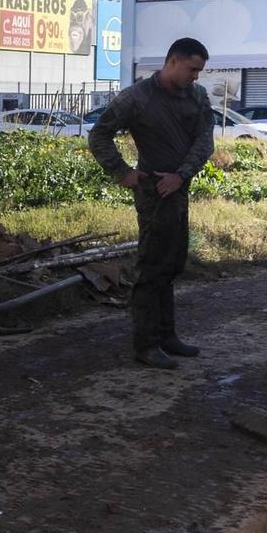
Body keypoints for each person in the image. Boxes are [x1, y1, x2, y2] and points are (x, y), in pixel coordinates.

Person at [89, 37, 216, 369]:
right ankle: (146, 345)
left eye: (199, 71)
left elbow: (205, 140)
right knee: (151, 267)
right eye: (192, 69)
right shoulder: (137, 97)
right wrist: (122, 172)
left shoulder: (196, 96)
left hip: (178, 189)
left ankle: (167, 336)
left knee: (172, 264)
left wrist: (181, 175)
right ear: (172, 61)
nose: (196, 76)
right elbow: (99, 134)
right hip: (153, 192)